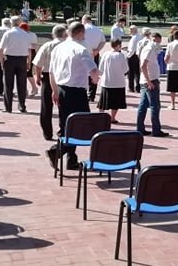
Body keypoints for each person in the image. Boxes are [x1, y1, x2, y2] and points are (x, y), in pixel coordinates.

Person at [47, 22, 100, 170]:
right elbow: (93, 70)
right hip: (76, 92)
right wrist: (95, 80)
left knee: (66, 125)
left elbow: (51, 71)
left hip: (61, 88)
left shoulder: (58, 48)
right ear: (81, 33)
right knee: (80, 126)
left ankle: (71, 159)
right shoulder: (80, 49)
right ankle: (56, 151)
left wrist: (54, 90)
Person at [33, 24, 67, 140]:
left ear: (53, 34)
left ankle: (47, 132)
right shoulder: (68, 45)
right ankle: (63, 131)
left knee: (46, 106)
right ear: (65, 34)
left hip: (48, 76)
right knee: (64, 106)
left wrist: (38, 76)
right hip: (64, 77)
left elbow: (38, 63)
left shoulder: (48, 45)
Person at [137, 32, 168, 137]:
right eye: (157, 41)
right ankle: (156, 130)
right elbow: (143, 65)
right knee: (155, 105)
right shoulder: (150, 49)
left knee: (143, 105)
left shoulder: (148, 49)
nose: (157, 44)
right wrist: (149, 81)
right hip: (150, 80)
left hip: (146, 80)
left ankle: (140, 128)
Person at [0, 16, 32, 113]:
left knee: (8, 84)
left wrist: (1, 61)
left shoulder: (8, 33)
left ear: (11, 23)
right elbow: (29, 50)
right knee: (22, 84)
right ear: (20, 23)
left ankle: (8, 107)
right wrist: (29, 62)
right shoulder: (25, 34)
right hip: (22, 59)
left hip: (10, 59)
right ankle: (22, 106)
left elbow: (1, 49)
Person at [98, 38, 129, 123]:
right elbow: (126, 69)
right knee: (116, 102)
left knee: (103, 101)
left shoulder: (105, 54)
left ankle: (100, 116)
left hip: (106, 81)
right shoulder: (121, 55)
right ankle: (112, 117)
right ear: (118, 45)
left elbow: (100, 68)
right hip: (118, 82)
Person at [82, 15, 107, 102]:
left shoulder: (83, 29)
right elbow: (103, 41)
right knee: (94, 72)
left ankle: (83, 93)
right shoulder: (98, 30)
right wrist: (97, 50)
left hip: (84, 52)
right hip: (95, 52)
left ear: (84, 20)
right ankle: (92, 95)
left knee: (83, 73)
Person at [21, 23, 40, 97]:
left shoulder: (30, 35)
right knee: (22, 72)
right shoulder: (31, 34)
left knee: (27, 72)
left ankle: (34, 88)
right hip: (24, 52)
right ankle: (25, 89)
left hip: (29, 53)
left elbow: (34, 46)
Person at [126, 26, 143, 93]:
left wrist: (128, 55)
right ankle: (138, 87)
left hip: (132, 56)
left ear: (132, 30)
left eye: (130, 30)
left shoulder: (134, 38)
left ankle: (131, 88)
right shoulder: (140, 37)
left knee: (131, 73)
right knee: (137, 72)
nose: (129, 31)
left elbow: (132, 49)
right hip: (138, 55)